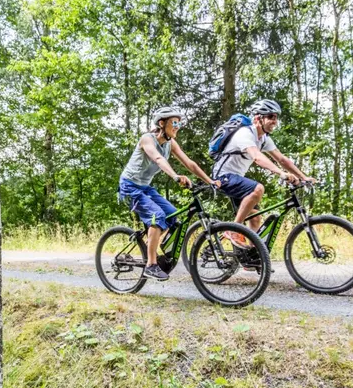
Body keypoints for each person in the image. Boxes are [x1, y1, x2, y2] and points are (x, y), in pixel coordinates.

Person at [119, 106, 220, 281]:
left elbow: (189, 163)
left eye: (179, 123)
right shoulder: (147, 139)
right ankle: (151, 265)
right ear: (161, 123)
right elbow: (158, 159)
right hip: (129, 186)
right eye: (174, 123)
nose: (177, 126)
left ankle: (158, 250)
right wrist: (175, 176)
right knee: (157, 216)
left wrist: (209, 181)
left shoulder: (171, 143)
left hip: (145, 187)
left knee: (173, 216)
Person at [212, 99, 313, 247]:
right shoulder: (244, 133)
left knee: (255, 218)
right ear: (258, 118)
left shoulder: (263, 138)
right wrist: (281, 174)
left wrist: (303, 177)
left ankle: (252, 258)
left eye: (276, 117)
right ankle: (233, 230)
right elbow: (257, 157)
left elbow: (282, 159)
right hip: (222, 177)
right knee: (258, 189)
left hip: (237, 178)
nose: (275, 121)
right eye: (271, 116)